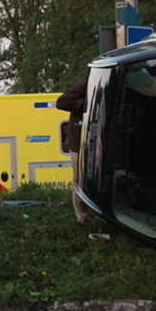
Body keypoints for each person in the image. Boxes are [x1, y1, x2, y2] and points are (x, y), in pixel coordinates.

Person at [56, 79, 89, 223]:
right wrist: (86, 104)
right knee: (79, 180)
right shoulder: (84, 85)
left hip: (96, 140)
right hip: (78, 143)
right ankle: (82, 217)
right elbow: (61, 102)